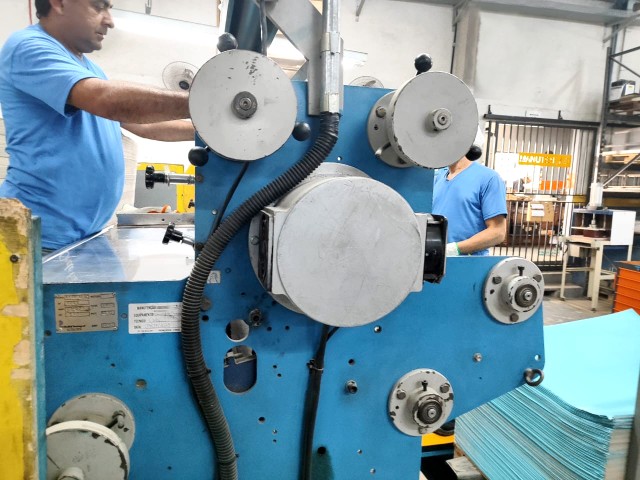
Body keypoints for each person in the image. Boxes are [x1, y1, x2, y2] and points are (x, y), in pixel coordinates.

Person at [0, 0, 195, 251]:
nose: (110, 21)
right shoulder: (28, 47)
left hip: (85, 235)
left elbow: (144, 125)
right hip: (36, 239)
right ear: (59, 3)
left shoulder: (91, 69)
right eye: (98, 6)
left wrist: (210, 129)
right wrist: (204, 101)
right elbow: (106, 100)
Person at [432, 132, 507, 256]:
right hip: (435, 258)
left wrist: (454, 249)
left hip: (468, 261)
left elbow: (497, 232)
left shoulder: (488, 178)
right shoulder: (438, 177)